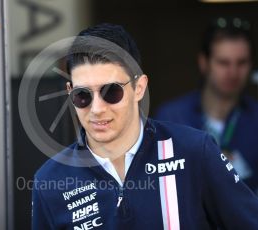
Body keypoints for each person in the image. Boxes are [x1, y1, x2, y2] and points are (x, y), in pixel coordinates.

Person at [32, 23, 258, 230]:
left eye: (112, 91)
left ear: (139, 88)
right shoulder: (49, 181)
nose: (97, 108)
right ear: (70, 92)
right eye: (83, 95)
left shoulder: (195, 151)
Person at [155, 17, 258, 193]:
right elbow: (159, 185)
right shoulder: (170, 118)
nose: (233, 73)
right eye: (223, 63)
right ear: (204, 63)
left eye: (241, 63)